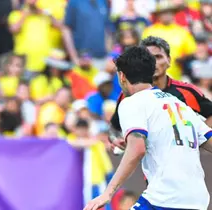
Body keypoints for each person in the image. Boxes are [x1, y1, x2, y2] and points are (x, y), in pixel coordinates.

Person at [83, 46, 212, 210]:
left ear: (122, 76)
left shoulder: (132, 102)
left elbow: (137, 150)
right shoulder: (178, 104)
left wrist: (108, 193)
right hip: (197, 200)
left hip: (165, 198)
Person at [110, 36, 212, 152]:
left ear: (169, 60)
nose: (154, 62)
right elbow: (114, 128)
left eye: (158, 57)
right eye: (148, 58)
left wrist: (196, 138)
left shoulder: (187, 91)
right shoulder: (129, 96)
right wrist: (116, 139)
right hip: (146, 164)